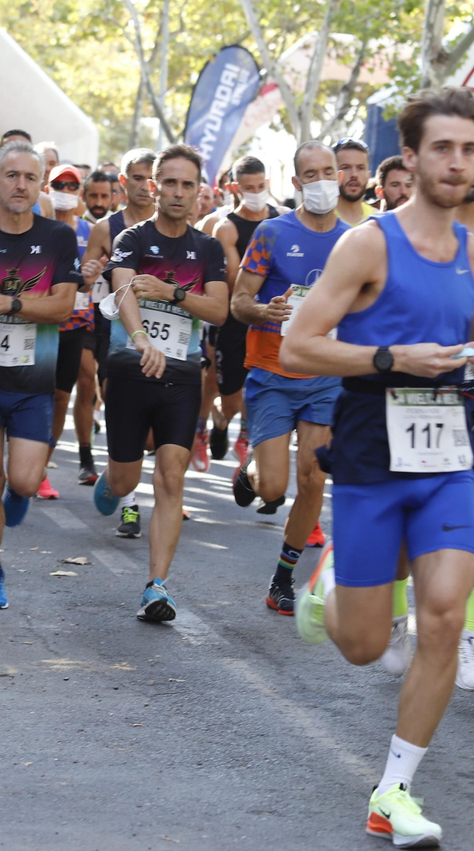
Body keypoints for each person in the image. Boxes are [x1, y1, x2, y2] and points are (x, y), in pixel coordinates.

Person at [284, 88, 474, 847]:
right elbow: (299, 345)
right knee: (365, 645)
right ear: (408, 158)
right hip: (372, 446)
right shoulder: (369, 245)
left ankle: (395, 789)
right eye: (442, 148)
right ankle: (333, 580)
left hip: (446, 449)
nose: (459, 162)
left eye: (471, 150)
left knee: (444, 617)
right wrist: (390, 357)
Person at [92, 144, 229, 621]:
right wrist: (140, 338)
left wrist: (173, 292)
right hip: (131, 367)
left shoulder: (208, 248)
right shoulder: (132, 236)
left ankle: (156, 586)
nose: (176, 192)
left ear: (198, 192)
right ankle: (112, 484)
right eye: (168, 182)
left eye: (186, 184)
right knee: (124, 477)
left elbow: (219, 310)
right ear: (154, 186)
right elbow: (123, 287)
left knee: (172, 474)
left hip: (183, 376)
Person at [0, 140, 80, 608]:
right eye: (11, 176)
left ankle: (19, 494)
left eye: (29, 177)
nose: (20, 185)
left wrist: (13, 303)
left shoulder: (59, 238)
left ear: (40, 183)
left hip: (32, 383)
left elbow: (63, 307)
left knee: (23, 483)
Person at [230, 142, 347, 614]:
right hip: (273, 373)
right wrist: (264, 309)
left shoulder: (355, 239)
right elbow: (238, 301)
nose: (322, 181)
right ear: (296, 183)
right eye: (310, 174)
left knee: (314, 478)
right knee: (275, 488)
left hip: (326, 375)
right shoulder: (271, 233)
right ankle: (253, 471)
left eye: (328, 172)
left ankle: (284, 577)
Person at [84, 147, 158, 537]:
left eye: (151, 177)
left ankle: (118, 474)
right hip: (112, 331)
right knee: (119, 412)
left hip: (165, 335)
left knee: (150, 432)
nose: (144, 185)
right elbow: (80, 278)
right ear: (123, 183)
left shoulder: (177, 229)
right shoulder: (105, 229)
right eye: (136, 177)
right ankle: (130, 505)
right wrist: (89, 271)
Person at [208, 155, 288, 468]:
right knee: (232, 400)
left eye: (260, 186)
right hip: (236, 320)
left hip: (276, 318)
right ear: (234, 188)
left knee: (265, 392)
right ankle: (220, 418)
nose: (256, 192)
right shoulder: (226, 228)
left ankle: (248, 443)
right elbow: (234, 284)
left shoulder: (282, 218)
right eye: (248, 187)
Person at [41, 163, 100, 490]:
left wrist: (88, 279)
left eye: (70, 185)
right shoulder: (39, 226)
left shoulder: (89, 231)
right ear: (47, 188)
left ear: (78, 192)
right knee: (38, 394)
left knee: (63, 396)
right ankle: (28, 459)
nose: (64, 191)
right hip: (42, 322)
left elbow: (94, 275)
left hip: (77, 322)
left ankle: (42, 468)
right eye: (58, 184)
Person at [333, 137, 378, 226]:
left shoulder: (378, 220)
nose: (354, 174)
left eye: (360, 168)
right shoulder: (322, 220)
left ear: (368, 175)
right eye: (345, 168)